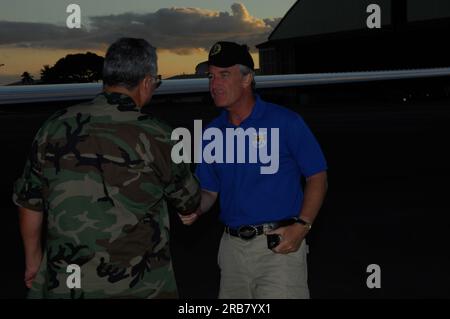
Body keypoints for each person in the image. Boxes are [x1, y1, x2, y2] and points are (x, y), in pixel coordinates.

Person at [13, 38, 200, 299]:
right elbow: (189, 201)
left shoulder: (53, 127)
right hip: (140, 286)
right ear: (147, 82)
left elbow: (29, 202)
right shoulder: (159, 135)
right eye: (156, 82)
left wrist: (34, 263)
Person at [179, 41, 328, 299]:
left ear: (247, 78)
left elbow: (318, 176)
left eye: (224, 75)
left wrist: (302, 226)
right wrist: (194, 207)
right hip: (231, 252)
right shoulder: (212, 133)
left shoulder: (286, 122)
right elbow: (209, 191)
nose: (214, 84)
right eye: (211, 76)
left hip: (278, 248)